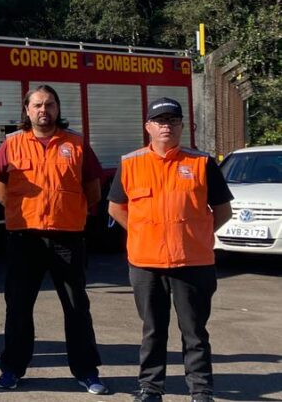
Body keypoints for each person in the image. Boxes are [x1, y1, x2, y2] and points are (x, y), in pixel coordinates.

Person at [107, 98, 233, 402]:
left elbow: (223, 211)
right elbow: (115, 209)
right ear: (148, 126)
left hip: (193, 263)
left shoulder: (201, 163)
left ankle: (201, 391)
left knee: (194, 332)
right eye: (160, 120)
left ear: (182, 125)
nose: (167, 126)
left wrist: (194, 236)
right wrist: (143, 234)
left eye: (173, 120)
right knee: (153, 330)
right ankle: (151, 388)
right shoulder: (130, 162)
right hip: (145, 264)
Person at [0, 85, 108, 395]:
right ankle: (12, 368)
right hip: (24, 239)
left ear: (57, 109)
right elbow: (0, 192)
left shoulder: (77, 145)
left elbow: (93, 190)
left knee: (76, 306)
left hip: (67, 239)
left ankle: (86, 371)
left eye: (50, 104)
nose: (44, 110)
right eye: (37, 105)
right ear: (27, 110)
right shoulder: (12, 145)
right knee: (17, 307)